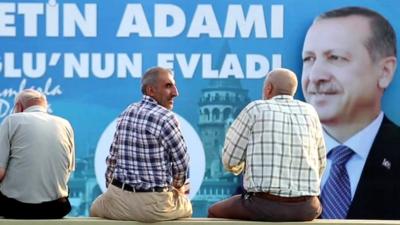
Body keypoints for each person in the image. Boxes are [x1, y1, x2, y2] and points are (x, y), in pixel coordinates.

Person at [301, 6, 400, 219]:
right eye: (308, 59)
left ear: (385, 72)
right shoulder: (278, 159)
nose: (315, 75)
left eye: (335, 57)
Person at [208, 68, 326, 221]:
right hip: (307, 208)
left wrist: (240, 169)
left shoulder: (255, 109)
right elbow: (321, 162)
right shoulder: (310, 112)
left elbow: (230, 160)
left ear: (268, 88)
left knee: (213, 211)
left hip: (264, 204)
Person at [90, 67, 192, 222]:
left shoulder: (127, 112)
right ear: (151, 90)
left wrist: (114, 193)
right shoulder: (167, 118)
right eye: (168, 86)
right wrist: (178, 187)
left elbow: (112, 159)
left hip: (118, 200)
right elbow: (182, 165)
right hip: (154, 207)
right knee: (187, 205)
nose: (175, 92)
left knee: (95, 208)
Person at [0, 89, 75, 219]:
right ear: (44, 106)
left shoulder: (11, 121)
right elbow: (68, 171)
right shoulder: (65, 124)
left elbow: (0, 172)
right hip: (56, 209)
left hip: (14, 208)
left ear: (18, 106)